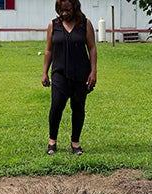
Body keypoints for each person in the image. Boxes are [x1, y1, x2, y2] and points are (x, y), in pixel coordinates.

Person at [41, 0, 97, 155]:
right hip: (59, 74)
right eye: (61, 10)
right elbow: (48, 51)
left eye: (67, 10)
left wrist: (93, 72)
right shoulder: (53, 25)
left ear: (75, 8)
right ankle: (52, 141)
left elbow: (92, 48)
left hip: (81, 74)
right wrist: (45, 72)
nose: (64, 13)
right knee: (57, 106)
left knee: (78, 108)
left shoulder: (85, 24)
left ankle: (75, 142)